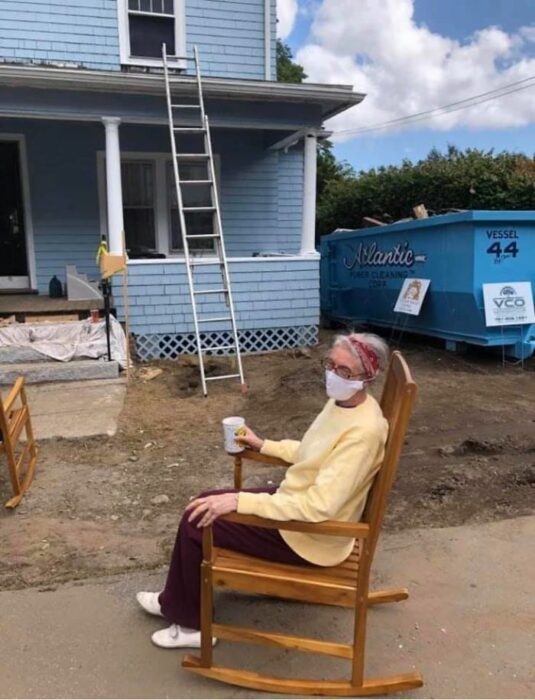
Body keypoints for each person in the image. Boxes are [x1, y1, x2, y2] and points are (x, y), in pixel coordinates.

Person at [137, 332, 390, 648]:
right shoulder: (344, 405)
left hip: (309, 537)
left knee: (196, 520)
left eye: (344, 372)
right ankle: (173, 600)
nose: (332, 375)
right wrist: (263, 445)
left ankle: (191, 627)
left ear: (367, 378)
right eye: (331, 364)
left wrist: (240, 500)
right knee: (204, 501)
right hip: (297, 510)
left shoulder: (363, 433)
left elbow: (319, 507)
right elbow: (313, 452)